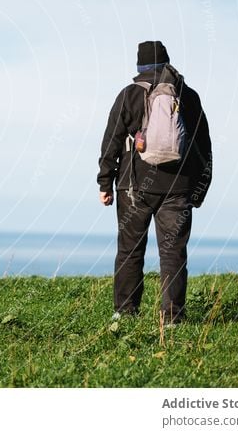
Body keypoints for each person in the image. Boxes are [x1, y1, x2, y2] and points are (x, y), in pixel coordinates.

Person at [98, 41, 212, 325]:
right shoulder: (189, 97)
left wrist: (105, 182)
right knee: (173, 253)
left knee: (129, 250)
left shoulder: (129, 95)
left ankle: (125, 313)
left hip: (133, 187)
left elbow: (111, 141)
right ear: (167, 64)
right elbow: (203, 147)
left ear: (140, 68)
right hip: (178, 190)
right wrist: (199, 189)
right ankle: (172, 318)